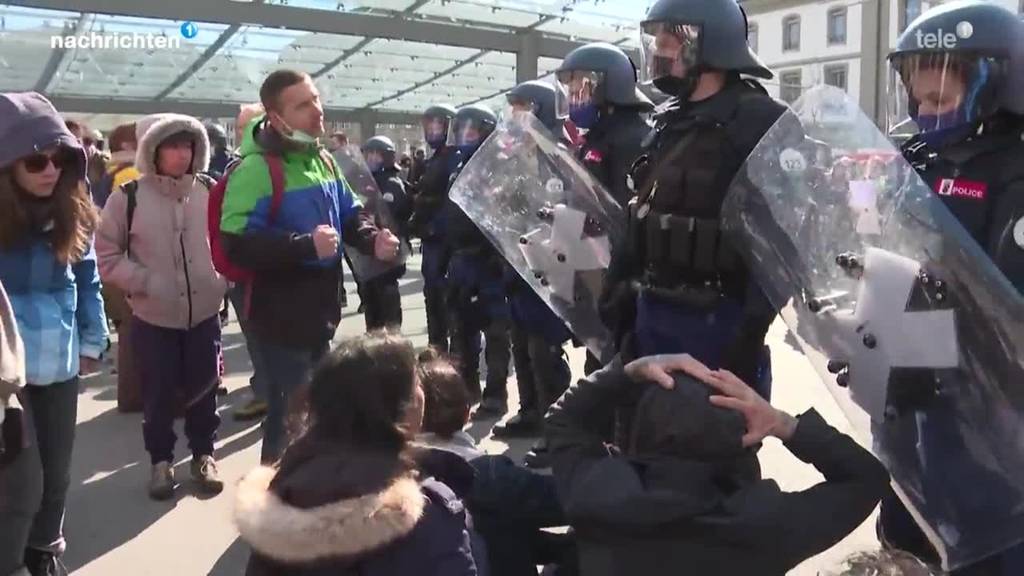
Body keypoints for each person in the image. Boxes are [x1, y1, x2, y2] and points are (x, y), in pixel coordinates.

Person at [879, 3, 1024, 574]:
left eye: (939, 101)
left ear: (996, 85)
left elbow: (1005, 311)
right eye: (918, 100)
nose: (923, 113)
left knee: (986, 544)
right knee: (907, 526)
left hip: (984, 409)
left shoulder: (1014, 174)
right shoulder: (919, 160)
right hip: (908, 384)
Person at [545, 353, 890, 575]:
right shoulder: (765, 524)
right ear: (739, 443)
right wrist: (782, 423)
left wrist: (631, 370)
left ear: (639, 435)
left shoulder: (595, 493)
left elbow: (561, 420)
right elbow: (867, 478)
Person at [598, 0, 787, 401]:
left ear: (712, 43)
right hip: (652, 310)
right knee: (644, 435)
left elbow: (782, 242)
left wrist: (749, 333)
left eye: (671, 37)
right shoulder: (666, 120)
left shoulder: (758, 120)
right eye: (657, 38)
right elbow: (644, 208)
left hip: (719, 318)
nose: (660, 48)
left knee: (711, 445)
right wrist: (619, 289)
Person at [219, 69, 400, 463]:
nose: (317, 111)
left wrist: (373, 239)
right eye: (303, 105)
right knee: (291, 415)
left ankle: (306, 492)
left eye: (316, 99)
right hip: (279, 317)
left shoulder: (322, 160)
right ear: (276, 116)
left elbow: (351, 213)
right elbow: (235, 245)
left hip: (322, 310)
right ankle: (272, 503)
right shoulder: (255, 170)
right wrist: (304, 246)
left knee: (314, 409)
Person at [234, 332, 484, 576]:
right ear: (401, 408)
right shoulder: (425, 513)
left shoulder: (281, 493)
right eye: (417, 384)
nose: (423, 394)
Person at [0, 91, 109, 576]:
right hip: (8, 376)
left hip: (61, 366)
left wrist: (93, 339)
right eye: (35, 160)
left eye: (62, 159)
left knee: (57, 473)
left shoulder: (73, 211)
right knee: (20, 479)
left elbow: (88, 281)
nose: (51, 170)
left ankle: (44, 551)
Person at [96, 113, 228, 500]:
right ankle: (160, 461)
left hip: (204, 313)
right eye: (172, 145)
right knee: (158, 393)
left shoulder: (210, 190)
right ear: (152, 150)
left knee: (205, 389)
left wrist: (222, 279)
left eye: (188, 145)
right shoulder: (128, 197)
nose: (182, 153)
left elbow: (230, 240)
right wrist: (146, 282)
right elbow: (106, 256)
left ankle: (204, 455)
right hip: (153, 317)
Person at [415, 351, 572, 576]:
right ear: (467, 412)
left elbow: (508, 535)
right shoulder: (487, 474)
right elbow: (577, 498)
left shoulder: (397, 469)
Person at [489, 80, 574, 471]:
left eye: (521, 107)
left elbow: (566, 208)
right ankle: (530, 412)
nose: (514, 115)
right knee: (521, 346)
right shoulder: (516, 152)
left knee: (544, 351)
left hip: (547, 264)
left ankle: (557, 429)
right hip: (516, 261)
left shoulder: (557, 153)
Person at [444, 104, 510, 418]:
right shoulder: (456, 166)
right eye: (461, 129)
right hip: (460, 261)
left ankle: (496, 394)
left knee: (496, 330)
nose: (464, 135)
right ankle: (466, 390)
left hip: (488, 262)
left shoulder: (497, 166)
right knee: (461, 329)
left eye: (471, 129)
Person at [555, 42, 653, 209]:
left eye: (578, 93)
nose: (573, 102)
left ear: (605, 88)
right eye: (571, 95)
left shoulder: (634, 140)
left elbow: (623, 211)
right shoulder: (596, 136)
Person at [228, 103, 271, 423]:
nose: (239, 134)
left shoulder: (254, 168)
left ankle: (268, 393)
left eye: (244, 127)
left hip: (258, 269)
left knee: (260, 334)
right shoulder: (241, 166)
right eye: (237, 128)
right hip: (245, 268)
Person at [410, 104, 458, 352]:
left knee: (444, 296)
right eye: (428, 125)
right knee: (432, 293)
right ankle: (436, 344)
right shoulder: (435, 157)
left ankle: (444, 347)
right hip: (431, 239)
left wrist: (434, 226)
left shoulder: (454, 157)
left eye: (437, 124)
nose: (432, 130)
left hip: (444, 240)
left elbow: (452, 200)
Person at [360, 135, 412, 331]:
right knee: (371, 302)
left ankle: (393, 342)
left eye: (377, 154)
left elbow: (397, 214)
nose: (372, 158)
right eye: (369, 154)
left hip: (389, 253)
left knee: (387, 300)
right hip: (370, 251)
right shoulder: (365, 181)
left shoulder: (392, 183)